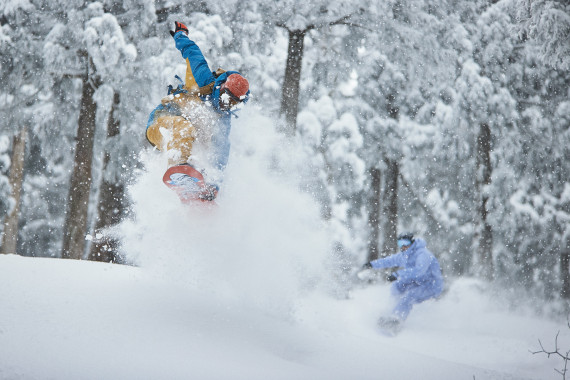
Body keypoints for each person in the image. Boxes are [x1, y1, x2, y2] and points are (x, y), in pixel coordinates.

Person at [146, 21, 250, 202]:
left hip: (183, 139)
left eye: (232, 104)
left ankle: (196, 180)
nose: (226, 105)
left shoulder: (222, 119)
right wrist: (181, 34)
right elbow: (192, 51)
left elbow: (220, 155)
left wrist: (214, 186)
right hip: (162, 123)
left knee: (208, 144)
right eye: (226, 97)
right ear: (222, 86)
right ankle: (179, 169)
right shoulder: (204, 80)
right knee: (185, 127)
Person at [362, 233, 444, 329]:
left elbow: (419, 270)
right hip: (417, 282)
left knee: (409, 296)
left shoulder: (423, 254)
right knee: (396, 286)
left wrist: (398, 274)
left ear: (412, 242)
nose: (403, 246)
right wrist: (372, 264)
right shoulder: (405, 255)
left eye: (405, 243)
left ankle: (397, 319)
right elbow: (389, 261)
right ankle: (391, 312)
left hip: (431, 285)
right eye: (400, 243)